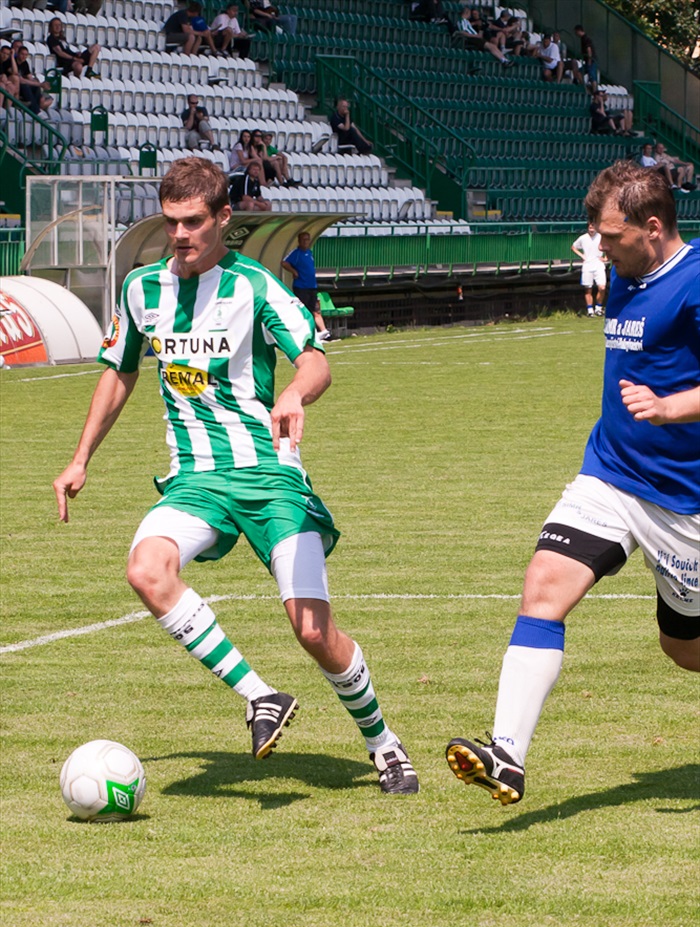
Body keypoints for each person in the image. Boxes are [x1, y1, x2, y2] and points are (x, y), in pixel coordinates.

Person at [52, 156, 418, 796]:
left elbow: (314, 361)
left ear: (224, 218)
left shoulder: (253, 285)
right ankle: (260, 697)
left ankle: (384, 745)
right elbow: (119, 370)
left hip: (271, 475)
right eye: (171, 223)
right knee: (146, 569)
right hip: (194, 476)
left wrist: (296, 395)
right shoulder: (142, 290)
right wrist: (81, 457)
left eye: (194, 221)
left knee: (312, 629)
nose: (181, 235)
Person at [445, 160, 700, 806]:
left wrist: (673, 407)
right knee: (544, 584)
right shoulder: (625, 267)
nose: (599, 247)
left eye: (610, 237)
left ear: (652, 226)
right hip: (609, 473)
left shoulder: (694, 282)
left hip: (683, 502)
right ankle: (507, 754)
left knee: (683, 646)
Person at [282, 232, 330, 341]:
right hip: (301, 287)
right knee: (303, 311)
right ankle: (305, 334)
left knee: (316, 310)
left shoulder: (309, 252)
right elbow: (284, 263)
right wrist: (294, 271)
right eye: (303, 239)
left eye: (307, 239)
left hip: (312, 286)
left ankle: (324, 333)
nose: (306, 242)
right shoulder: (296, 253)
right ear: (299, 241)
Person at [571, 221, 607, 317]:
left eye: (593, 228)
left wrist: (606, 258)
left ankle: (599, 308)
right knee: (588, 289)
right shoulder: (583, 238)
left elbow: (609, 246)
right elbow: (573, 247)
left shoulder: (601, 237)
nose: (592, 230)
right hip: (587, 266)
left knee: (602, 287)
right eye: (590, 228)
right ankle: (590, 310)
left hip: (599, 265)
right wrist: (582, 256)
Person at [571, 24, 598, 91]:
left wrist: (589, 61)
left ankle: (595, 91)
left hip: (591, 61)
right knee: (579, 73)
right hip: (588, 61)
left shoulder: (586, 39)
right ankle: (584, 88)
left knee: (592, 76)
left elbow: (589, 50)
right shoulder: (583, 39)